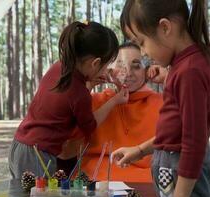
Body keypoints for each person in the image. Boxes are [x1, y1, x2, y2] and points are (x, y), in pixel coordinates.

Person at [111, 1, 210, 197]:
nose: (144, 53)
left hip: (185, 179)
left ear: (165, 27)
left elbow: (193, 143)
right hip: (174, 171)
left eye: (142, 42)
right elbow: (174, 131)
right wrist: (139, 151)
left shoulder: (189, 71)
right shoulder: (184, 67)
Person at [8, 21, 129, 179]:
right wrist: (115, 100)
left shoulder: (58, 66)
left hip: (19, 145)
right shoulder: (80, 93)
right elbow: (89, 125)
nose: (106, 71)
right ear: (95, 63)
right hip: (38, 156)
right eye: (105, 66)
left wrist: (89, 84)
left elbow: (67, 100)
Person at [58, 42, 163, 183]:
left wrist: (167, 78)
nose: (128, 73)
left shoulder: (162, 103)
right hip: (92, 183)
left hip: (144, 183)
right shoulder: (93, 101)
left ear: (146, 71)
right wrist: (87, 87)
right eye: (120, 65)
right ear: (109, 70)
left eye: (136, 66)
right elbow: (66, 152)